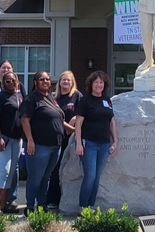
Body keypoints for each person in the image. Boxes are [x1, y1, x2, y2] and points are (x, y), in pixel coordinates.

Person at [20, 71, 65, 213]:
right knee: (35, 177)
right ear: (35, 82)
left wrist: (76, 129)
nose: (45, 82)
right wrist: (30, 141)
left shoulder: (51, 98)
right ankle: (29, 206)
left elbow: (60, 121)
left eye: (47, 79)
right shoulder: (31, 99)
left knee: (46, 177)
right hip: (39, 145)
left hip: (55, 146)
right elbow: (25, 120)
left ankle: (41, 205)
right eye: (42, 79)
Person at [73, 70, 118, 208]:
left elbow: (111, 122)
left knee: (97, 178)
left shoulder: (107, 100)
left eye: (101, 82)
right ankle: (83, 207)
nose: (99, 85)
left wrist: (115, 141)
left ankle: (90, 207)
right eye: (96, 82)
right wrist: (79, 143)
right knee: (90, 176)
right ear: (91, 84)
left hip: (104, 145)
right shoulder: (85, 100)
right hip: (89, 144)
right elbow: (78, 123)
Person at [0, 60, 23, 212]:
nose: (10, 82)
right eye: (7, 81)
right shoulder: (0, 96)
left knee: (12, 170)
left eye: (12, 80)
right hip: (4, 138)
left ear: (17, 81)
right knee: (3, 170)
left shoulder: (20, 94)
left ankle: (5, 204)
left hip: (17, 139)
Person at [45, 69, 81, 209]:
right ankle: (52, 200)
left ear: (72, 83)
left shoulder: (77, 96)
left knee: (67, 170)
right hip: (56, 139)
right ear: (59, 82)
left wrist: (74, 118)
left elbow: (84, 113)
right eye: (63, 80)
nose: (65, 82)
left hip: (71, 140)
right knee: (54, 170)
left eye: (68, 80)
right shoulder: (54, 98)